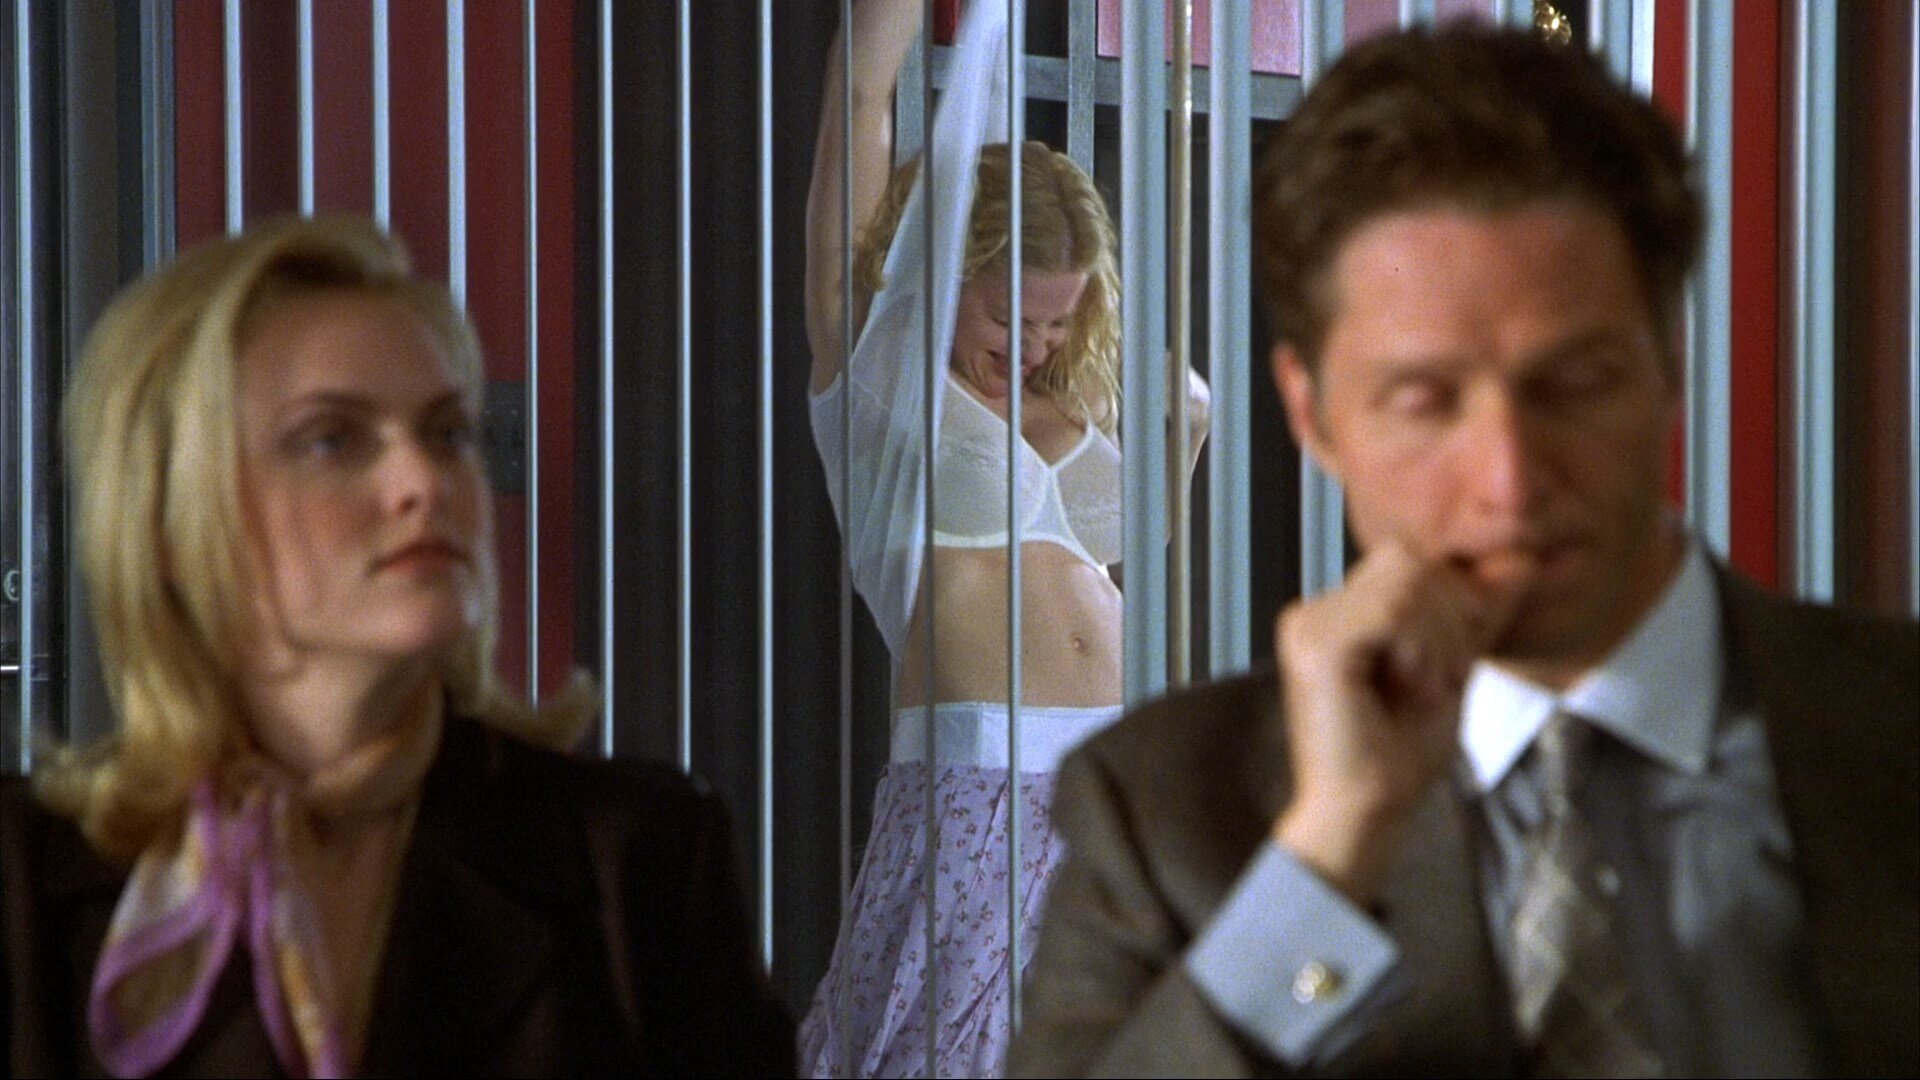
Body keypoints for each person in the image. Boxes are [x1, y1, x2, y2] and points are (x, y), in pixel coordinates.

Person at [1009, 21, 1918, 1079]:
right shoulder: (1160, 811)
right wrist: (1325, 862)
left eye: (1574, 382)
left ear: (1668, 367)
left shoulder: (1894, 725)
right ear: (1312, 413)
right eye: (1424, 399)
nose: (1510, 479)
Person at [0, 216, 794, 1078]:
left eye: (447, 433)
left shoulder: (636, 863)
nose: (422, 481)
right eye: (332, 439)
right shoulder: (23, 882)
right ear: (170, 521)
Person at [799, 2, 1208, 1076]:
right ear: (941, 279)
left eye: (1057, 320)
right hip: (976, 794)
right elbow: (859, 100)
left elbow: (1133, 550)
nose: (1032, 347)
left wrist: (1180, 428)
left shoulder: (1077, 402)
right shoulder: (884, 393)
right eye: (1008, 319)